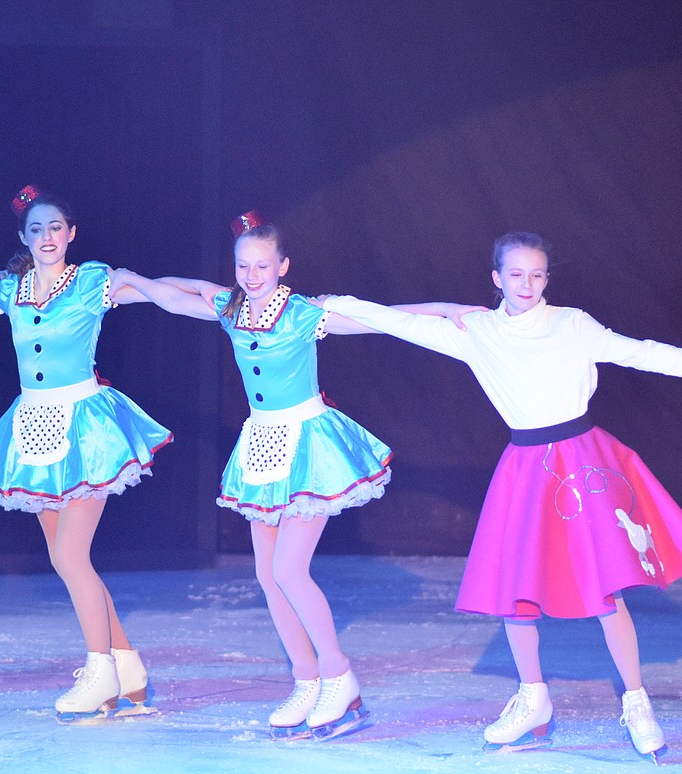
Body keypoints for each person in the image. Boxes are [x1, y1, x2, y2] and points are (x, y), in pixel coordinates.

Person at [319, 230, 682, 760]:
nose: (526, 284)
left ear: (547, 278)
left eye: (536, 274)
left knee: (604, 589)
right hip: (526, 469)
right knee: (518, 589)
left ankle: (636, 700)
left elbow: (643, 353)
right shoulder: (477, 332)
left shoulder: (572, 325)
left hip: (583, 465)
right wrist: (338, 303)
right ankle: (533, 699)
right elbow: (401, 325)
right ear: (496, 279)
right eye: (515, 274)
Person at [115, 211, 482, 740]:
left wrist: (445, 310)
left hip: (309, 443)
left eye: (263, 264)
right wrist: (131, 277)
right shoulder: (229, 308)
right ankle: (306, 679)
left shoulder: (306, 313)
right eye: (244, 265)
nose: (253, 274)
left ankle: (340, 677)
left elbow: (384, 316)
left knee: (289, 570)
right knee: (267, 575)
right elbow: (179, 294)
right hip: (260, 445)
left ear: (283, 266)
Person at [0, 186, 173, 723]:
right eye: (36, 230)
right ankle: (126, 664)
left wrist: (222, 297)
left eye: (55, 228)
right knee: (65, 559)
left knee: (71, 557)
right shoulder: (12, 290)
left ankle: (100, 672)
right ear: (24, 237)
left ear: (71, 233)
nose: (46, 237)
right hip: (33, 428)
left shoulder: (93, 282)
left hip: (87, 428)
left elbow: (159, 292)